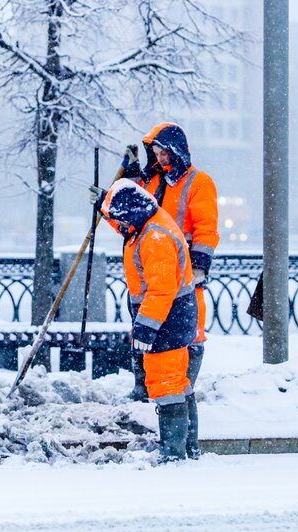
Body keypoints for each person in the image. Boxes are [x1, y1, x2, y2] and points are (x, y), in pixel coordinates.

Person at [120, 122, 219, 459]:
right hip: (157, 270)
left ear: (177, 151)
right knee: (155, 336)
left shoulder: (198, 182)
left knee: (188, 336)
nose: (160, 158)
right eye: (156, 153)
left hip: (184, 274)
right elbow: (130, 211)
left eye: (164, 152)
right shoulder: (154, 181)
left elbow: (206, 228)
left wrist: (200, 264)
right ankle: (156, 394)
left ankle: (180, 400)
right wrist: (128, 176)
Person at [97, 179, 198, 462]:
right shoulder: (145, 222)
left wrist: (146, 326)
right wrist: (104, 205)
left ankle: (174, 453)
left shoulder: (155, 238)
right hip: (175, 316)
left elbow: (161, 290)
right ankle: (188, 447)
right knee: (177, 381)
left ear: (132, 213)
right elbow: (124, 226)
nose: (120, 225)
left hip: (167, 319)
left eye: (121, 218)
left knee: (165, 382)